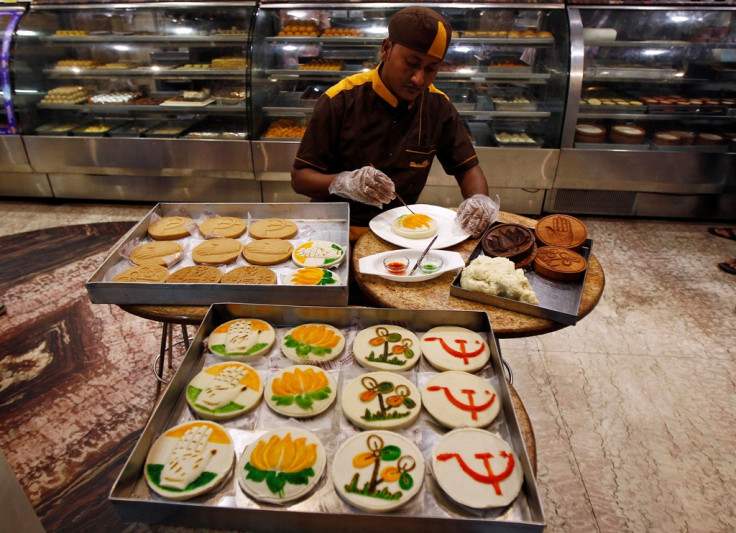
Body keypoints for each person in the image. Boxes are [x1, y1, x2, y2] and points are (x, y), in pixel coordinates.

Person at [291, 6, 498, 241]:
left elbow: (467, 168)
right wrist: (343, 182)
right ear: (386, 49)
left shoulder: (437, 106)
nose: (419, 79)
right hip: (337, 231)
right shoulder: (340, 100)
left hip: (400, 235)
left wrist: (479, 200)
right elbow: (300, 179)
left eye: (431, 69)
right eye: (411, 63)